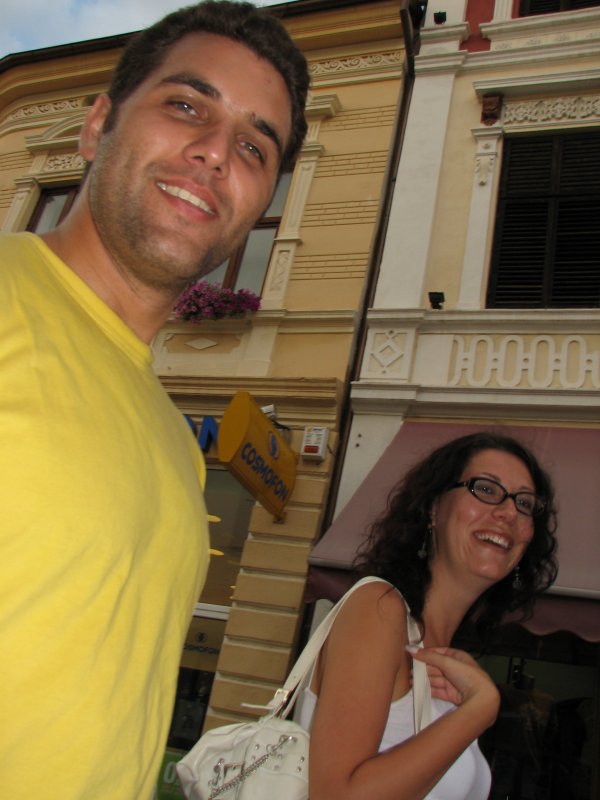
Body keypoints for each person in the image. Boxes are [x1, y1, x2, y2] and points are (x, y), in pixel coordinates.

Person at [0, 3, 309, 798]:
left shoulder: (179, 450)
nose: (216, 153)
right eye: (186, 106)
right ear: (96, 126)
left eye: (254, 147)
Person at [300, 431, 558, 799]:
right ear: (434, 508)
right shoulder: (379, 609)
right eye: (486, 489)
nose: (508, 512)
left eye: (525, 503)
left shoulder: (450, 667)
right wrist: (481, 708)